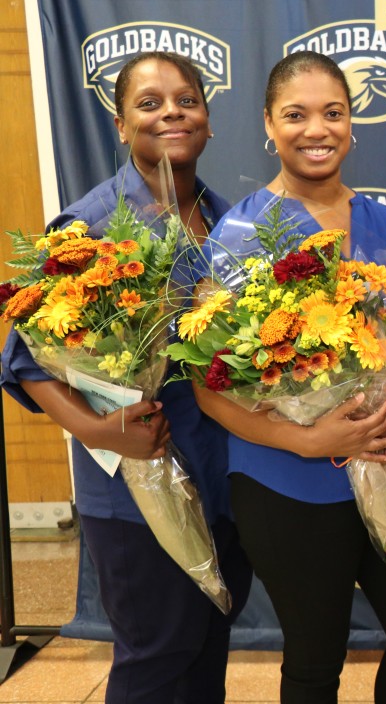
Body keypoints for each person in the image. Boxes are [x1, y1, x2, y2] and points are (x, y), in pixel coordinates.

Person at [0, 51, 253, 703]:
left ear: (207, 119)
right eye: (149, 103)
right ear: (119, 126)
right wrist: (102, 429)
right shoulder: (89, 228)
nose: (171, 112)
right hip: (137, 494)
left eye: (186, 100)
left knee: (206, 649)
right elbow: (27, 362)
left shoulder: (233, 225)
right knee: (157, 657)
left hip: (222, 479)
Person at [192, 51, 386, 703]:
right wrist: (306, 439)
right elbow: (209, 386)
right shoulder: (239, 237)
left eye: (333, 113)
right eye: (296, 115)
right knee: (315, 657)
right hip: (287, 485)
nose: (316, 129)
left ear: (353, 124)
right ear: (269, 126)